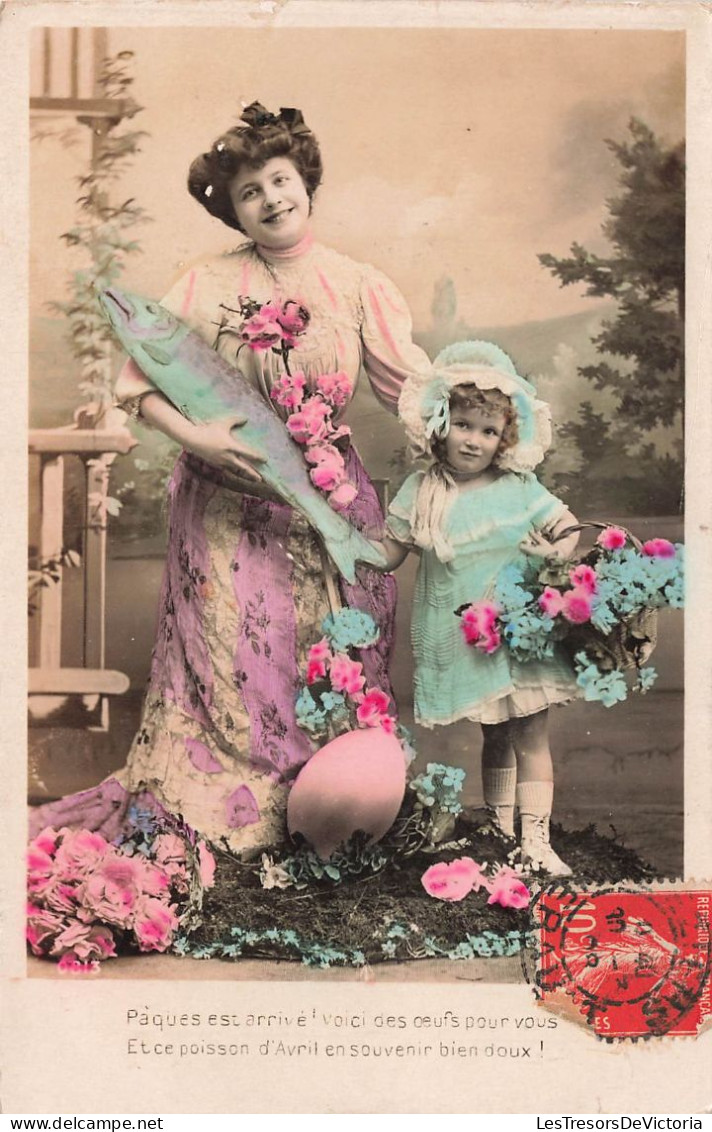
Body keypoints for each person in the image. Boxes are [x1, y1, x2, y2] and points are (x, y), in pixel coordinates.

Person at [30, 102, 431, 857]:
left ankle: (325, 822)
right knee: (233, 667)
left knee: (326, 661)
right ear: (233, 208)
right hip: (223, 505)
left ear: (305, 180)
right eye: (250, 191)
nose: (272, 199)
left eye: (281, 179)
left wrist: (476, 422)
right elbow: (137, 383)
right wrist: (195, 434)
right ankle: (229, 829)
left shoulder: (355, 283)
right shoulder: (203, 284)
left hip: (330, 507)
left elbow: (411, 389)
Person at [372, 340, 580, 875]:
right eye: (464, 425)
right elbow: (389, 553)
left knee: (530, 731)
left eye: (489, 432)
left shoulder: (517, 487)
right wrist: (341, 541)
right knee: (495, 732)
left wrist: (550, 555)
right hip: (467, 634)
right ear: (440, 423)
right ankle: (499, 822)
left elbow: (568, 530)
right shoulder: (421, 490)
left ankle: (536, 840)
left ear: (504, 439)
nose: (475, 440)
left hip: (519, 627)